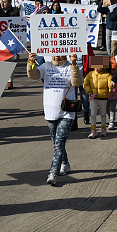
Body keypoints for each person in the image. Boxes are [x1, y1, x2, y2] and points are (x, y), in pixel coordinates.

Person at [27, 52, 82, 185]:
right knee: (56, 143)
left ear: (65, 54)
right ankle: (65, 163)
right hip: (50, 111)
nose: (56, 57)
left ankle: (53, 173)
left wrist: (74, 65)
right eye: (54, 54)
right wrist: (31, 63)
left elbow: (76, 83)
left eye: (59, 54)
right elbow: (33, 75)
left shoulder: (72, 66)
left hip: (67, 112)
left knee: (59, 143)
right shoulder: (46, 66)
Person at [83, 58, 113, 138]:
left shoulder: (107, 75)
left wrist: (111, 87)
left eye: (99, 66)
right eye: (95, 66)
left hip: (103, 98)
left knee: (103, 114)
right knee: (93, 114)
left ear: (103, 66)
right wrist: (88, 91)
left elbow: (110, 83)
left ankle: (103, 129)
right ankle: (93, 130)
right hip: (93, 98)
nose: (97, 68)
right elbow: (86, 84)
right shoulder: (90, 74)